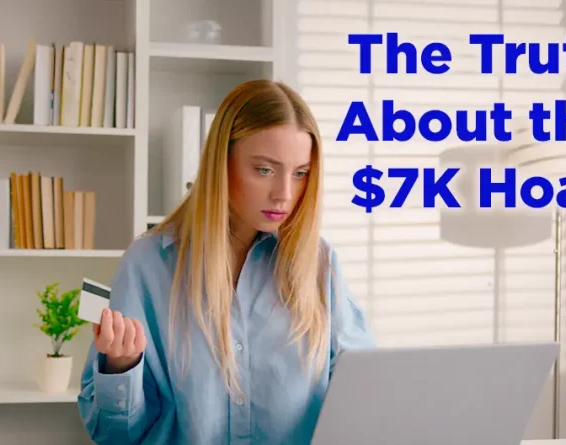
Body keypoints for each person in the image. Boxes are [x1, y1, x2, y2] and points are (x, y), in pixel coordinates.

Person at [77, 79, 376, 444]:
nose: (284, 194)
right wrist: (120, 367)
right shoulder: (147, 266)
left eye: (299, 174)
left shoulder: (320, 265)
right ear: (222, 162)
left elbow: (365, 401)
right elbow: (112, 436)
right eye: (265, 170)